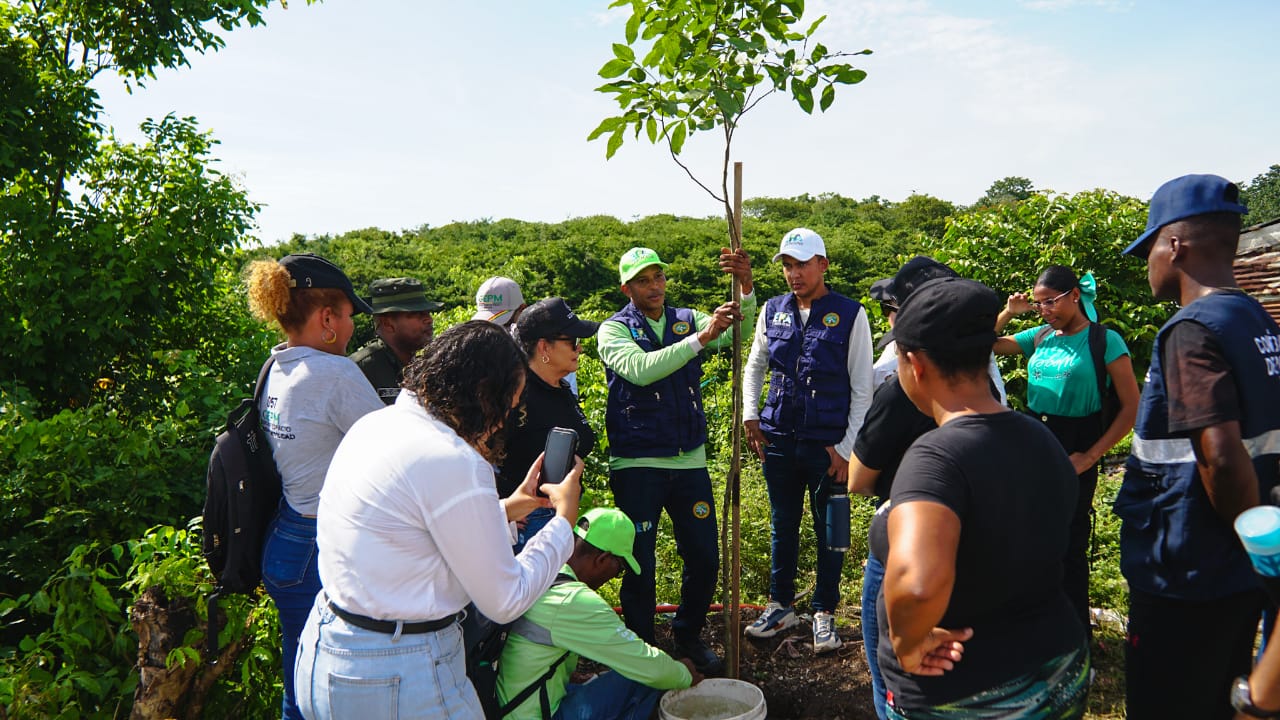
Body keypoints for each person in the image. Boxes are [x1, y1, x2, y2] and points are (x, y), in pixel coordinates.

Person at [294, 320, 584, 719]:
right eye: (508, 407)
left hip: (328, 650)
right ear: (483, 394)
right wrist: (564, 523)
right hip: (398, 670)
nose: (503, 422)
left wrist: (513, 506)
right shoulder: (455, 460)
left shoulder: (377, 425)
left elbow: (408, 534)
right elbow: (506, 599)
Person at [872, 276, 1089, 719]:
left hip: (971, 695)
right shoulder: (1038, 436)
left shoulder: (936, 457)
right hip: (1058, 671)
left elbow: (917, 585)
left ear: (916, 366)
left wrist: (907, 644)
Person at [1114, 173, 1280, 720]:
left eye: (1151, 250)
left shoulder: (1190, 330)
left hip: (1186, 571)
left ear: (1175, 245)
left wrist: (1257, 548)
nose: (1149, 266)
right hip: (1237, 572)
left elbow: (1221, 457)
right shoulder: (1254, 317)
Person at [597, 245, 755, 676]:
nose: (654, 287)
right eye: (644, 280)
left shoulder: (685, 318)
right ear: (627, 287)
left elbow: (739, 328)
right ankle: (642, 646)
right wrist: (701, 338)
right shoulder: (613, 331)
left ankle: (687, 633)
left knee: (704, 555)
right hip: (637, 464)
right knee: (640, 561)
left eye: (659, 278)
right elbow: (642, 369)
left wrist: (744, 287)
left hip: (690, 463)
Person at [244, 253, 386, 720]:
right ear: (326, 318)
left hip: (285, 538)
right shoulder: (335, 373)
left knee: (298, 682)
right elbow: (394, 451)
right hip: (318, 550)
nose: (351, 329)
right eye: (347, 317)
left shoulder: (276, 366)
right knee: (324, 696)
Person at [741, 227, 874, 653]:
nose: (793, 274)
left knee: (830, 529)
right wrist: (750, 415)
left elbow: (863, 388)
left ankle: (824, 612)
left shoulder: (851, 314)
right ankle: (781, 606)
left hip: (827, 446)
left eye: (801, 264)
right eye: (787, 265)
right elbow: (755, 366)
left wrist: (847, 449)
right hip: (778, 437)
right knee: (783, 524)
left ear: (823, 265)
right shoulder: (772, 310)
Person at [848, 257, 968, 720]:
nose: (889, 321)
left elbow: (859, 480)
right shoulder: (985, 378)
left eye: (893, 311)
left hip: (903, 548)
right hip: (967, 549)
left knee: (896, 679)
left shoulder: (902, 389)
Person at [993, 264, 1140, 635]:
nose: (1045, 310)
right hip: (1034, 440)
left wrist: (1090, 456)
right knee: (1030, 535)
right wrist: (1010, 312)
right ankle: (1037, 627)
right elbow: (987, 343)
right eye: (1040, 304)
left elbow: (1132, 407)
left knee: (1069, 543)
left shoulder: (1104, 341)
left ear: (1075, 295)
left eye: (1052, 302)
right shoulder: (1041, 335)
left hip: (1078, 444)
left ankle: (1075, 637)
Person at [496, 507, 702, 720]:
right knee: (642, 678)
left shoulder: (538, 569)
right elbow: (651, 667)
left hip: (507, 705)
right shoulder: (573, 600)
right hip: (536, 714)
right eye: (619, 569)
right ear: (602, 559)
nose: (614, 576)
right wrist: (684, 673)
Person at [502, 297, 599, 552]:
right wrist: (506, 509)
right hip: (528, 523)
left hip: (557, 516)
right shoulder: (516, 396)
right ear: (544, 347)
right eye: (573, 342)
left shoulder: (561, 387)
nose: (579, 349)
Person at [350, 276, 443, 404]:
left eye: (427, 312)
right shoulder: (359, 370)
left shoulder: (431, 364)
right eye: (417, 314)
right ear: (387, 324)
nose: (429, 319)